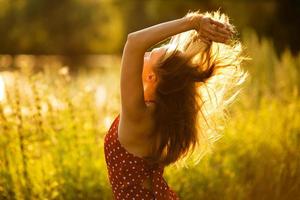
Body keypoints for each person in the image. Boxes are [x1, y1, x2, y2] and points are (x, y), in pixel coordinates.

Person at [104, 10, 248, 200]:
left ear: (151, 77)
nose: (143, 53)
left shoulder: (138, 115)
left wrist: (193, 22)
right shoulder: (161, 113)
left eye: (149, 55)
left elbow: (134, 42)